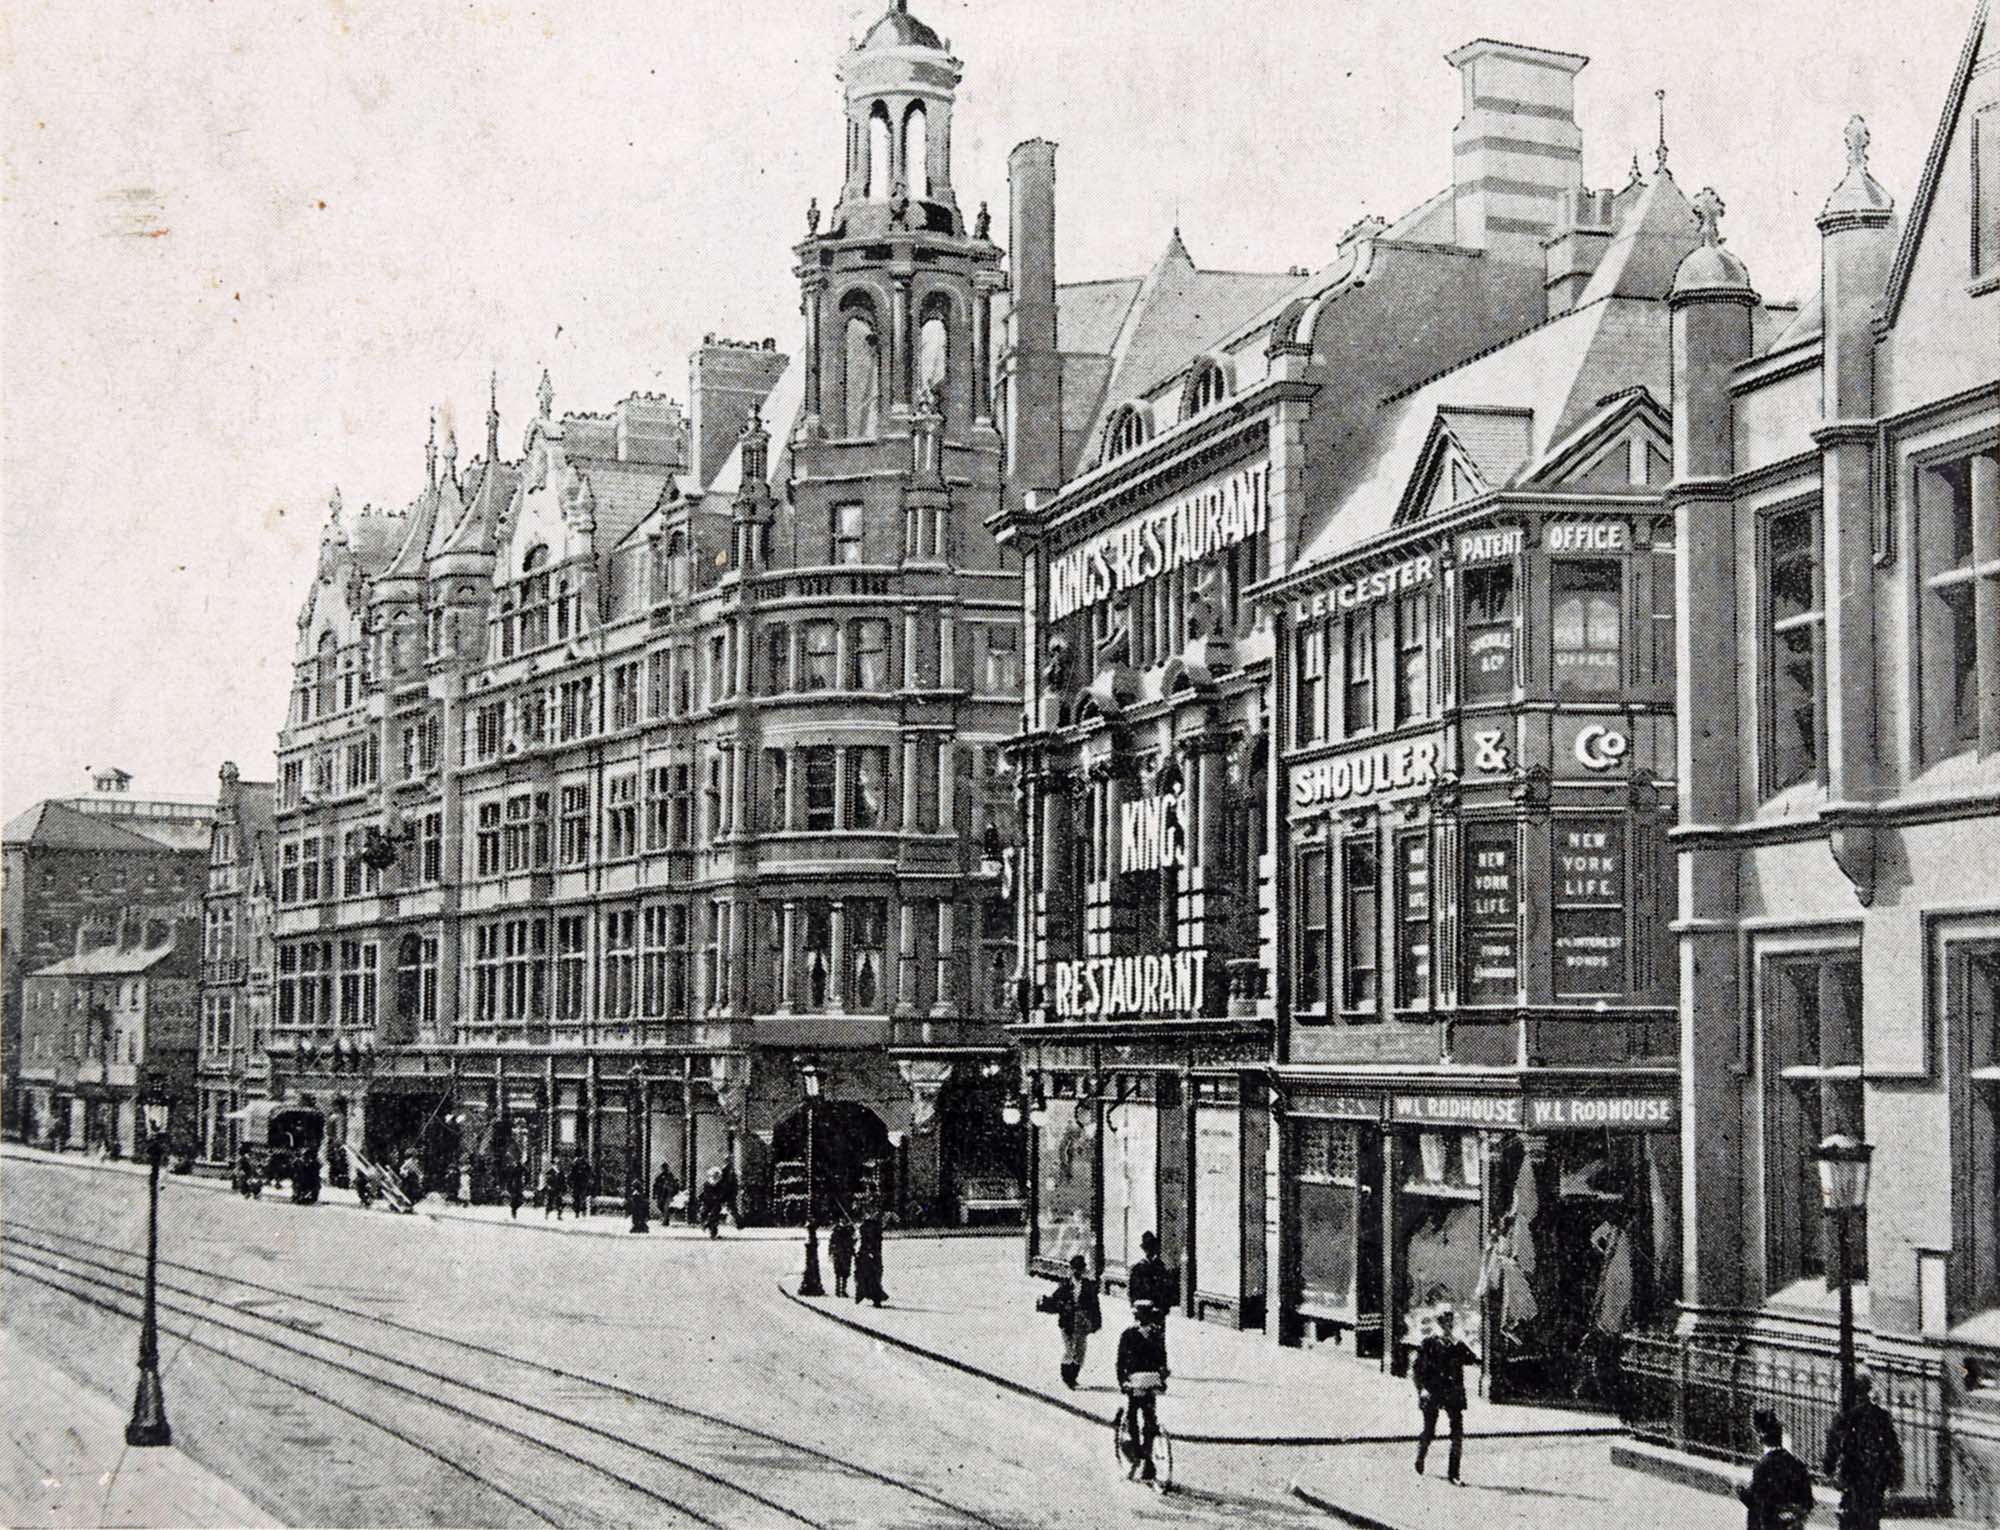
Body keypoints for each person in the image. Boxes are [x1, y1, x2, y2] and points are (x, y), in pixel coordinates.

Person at [1823, 1372, 1903, 1530]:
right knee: (1871, 1518)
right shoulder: (1881, 1416)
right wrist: (1896, 1476)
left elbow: (1834, 1444)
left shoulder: (1844, 1416)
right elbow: (1893, 1447)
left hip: (1852, 1476)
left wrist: (1829, 1467)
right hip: (1875, 1478)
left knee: (1850, 1517)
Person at [1411, 1307, 1481, 1483]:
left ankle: (1454, 1474)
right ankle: (1421, 1455)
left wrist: (1463, 1343)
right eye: (1444, 1321)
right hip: (1433, 1391)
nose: (1448, 1325)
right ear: (1438, 1323)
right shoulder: (1429, 1343)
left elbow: (1472, 1359)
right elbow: (1417, 1370)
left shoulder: (1456, 1344)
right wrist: (1423, 1390)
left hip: (1452, 1393)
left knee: (1457, 1433)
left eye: (1450, 1321)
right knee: (1430, 1430)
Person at [1115, 1300, 1170, 1483]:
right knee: (1133, 1417)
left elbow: (1162, 1359)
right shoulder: (1129, 1335)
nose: (1143, 1319)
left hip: (1149, 1382)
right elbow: (1121, 1362)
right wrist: (1123, 1382)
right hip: (1134, 1382)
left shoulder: (1156, 1335)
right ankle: (1138, 1453)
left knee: (1149, 1420)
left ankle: (1145, 1458)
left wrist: (1162, 1377)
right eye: (1141, 1316)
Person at [1740, 1407, 1814, 1530]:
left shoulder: (1762, 1467)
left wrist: (1741, 1492)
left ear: (1761, 1440)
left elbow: (1755, 1501)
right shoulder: (1798, 1465)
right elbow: (1808, 1502)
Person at [1036, 1254, 1101, 1389]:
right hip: (1068, 1321)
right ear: (1071, 1269)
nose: (1077, 1271)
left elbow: (1095, 1306)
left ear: (1083, 1270)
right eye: (1075, 1268)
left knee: (1081, 1351)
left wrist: (1096, 1323)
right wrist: (1045, 1303)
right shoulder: (1065, 1284)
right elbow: (1056, 1300)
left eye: (1080, 1269)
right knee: (1070, 1349)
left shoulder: (1088, 1286)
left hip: (1082, 1321)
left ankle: (1073, 1377)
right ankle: (1068, 1379)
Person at [853, 1205, 887, 1306]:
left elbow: (876, 1240)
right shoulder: (866, 1226)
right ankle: (865, 1294)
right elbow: (865, 1240)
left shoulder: (875, 1226)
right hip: (866, 1254)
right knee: (864, 1275)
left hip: (873, 1254)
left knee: (874, 1276)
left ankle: (875, 1298)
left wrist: (872, 1251)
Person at [828, 1212, 857, 1297]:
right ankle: (837, 1290)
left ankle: (843, 1290)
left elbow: (852, 1241)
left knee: (845, 1272)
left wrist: (853, 1247)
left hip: (846, 1252)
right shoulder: (837, 1229)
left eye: (845, 1220)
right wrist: (830, 1252)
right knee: (838, 1271)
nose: (843, 1221)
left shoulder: (849, 1229)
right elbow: (832, 1241)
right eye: (842, 1219)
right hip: (838, 1252)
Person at [698, 1167, 727, 1238]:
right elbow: (704, 1194)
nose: (715, 1176)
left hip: (715, 1203)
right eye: (714, 1175)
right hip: (709, 1202)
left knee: (714, 1216)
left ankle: (712, 1231)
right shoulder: (707, 1184)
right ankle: (708, 1226)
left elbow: (722, 1194)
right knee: (708, 1215)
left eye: (716, 1175)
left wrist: (720, 1199)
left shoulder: (719, 1184)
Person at [567, 1153, 591, 1218]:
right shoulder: (583, 1163)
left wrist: (570, 1181)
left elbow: (572, 1173)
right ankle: (581, 1211)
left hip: (578, 1183)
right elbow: (589, 1171)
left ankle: (579, 1211)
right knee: (580, 1197)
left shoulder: (576, 1163)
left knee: (578, 1197)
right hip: (580, 1183)